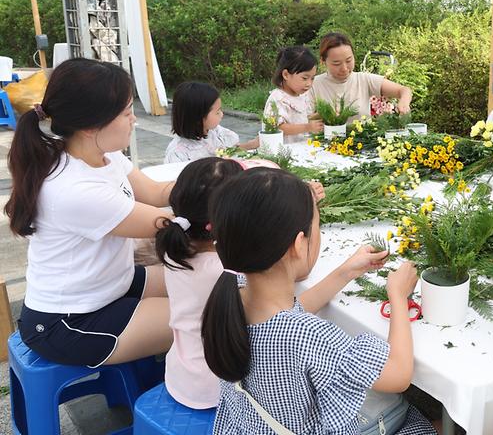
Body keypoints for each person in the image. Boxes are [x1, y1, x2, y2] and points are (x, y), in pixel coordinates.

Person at [201, 168, 435, 434]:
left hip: (249, 427)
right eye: (317, 225)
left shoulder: (232, 294)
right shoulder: (308, 336)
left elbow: (293, 308)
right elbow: (399, 375)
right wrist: (398, 296)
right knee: (423, 419)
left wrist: (347, 271)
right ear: (298, 245)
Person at [5, 58, 175, 367]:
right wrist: (226, 198)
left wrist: (217, 177)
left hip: (109, 284)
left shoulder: (102, 155)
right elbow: (165, 225)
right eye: (126, 113)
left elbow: (156, 192)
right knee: (201, 314)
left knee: (204, 281)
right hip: (68, 322)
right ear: (90, 126)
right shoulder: (76, 190)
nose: (134, 120)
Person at [156, 157, 244, 409]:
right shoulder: (226, 269)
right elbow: (297, 276)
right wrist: (310, 212)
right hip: (220, 388)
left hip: (181, 376)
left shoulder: (175, 249)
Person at [311, 32, 412, 120]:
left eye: (348, 60)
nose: (344, 68)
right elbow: (300, 120)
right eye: (337, 64)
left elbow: (404, 90)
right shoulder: (312, 85)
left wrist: (404, 102)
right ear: (323, 61)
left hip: (363, 140)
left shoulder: (364, 80)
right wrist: (319, 116)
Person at [165, 81, 258, 163]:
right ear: (198, 118)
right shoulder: (178, 154)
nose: (221, 114)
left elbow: (228, 151)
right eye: (217, 112)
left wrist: (250, 145)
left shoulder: (215, 132)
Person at [263, 46, 324, 143]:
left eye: (312, 78)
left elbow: (303, 117)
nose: (309, 84)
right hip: (284, 151)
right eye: (304, 78)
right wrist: (307, 127)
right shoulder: (278, 99)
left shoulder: (302, 96)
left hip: (301, 148)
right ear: (286, 75)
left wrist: (321, 115)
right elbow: (278, 128)